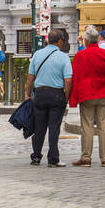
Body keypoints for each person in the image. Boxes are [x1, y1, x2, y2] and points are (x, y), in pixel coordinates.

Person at [69, 25, 105, 167]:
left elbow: (75, 77)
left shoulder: (80, 55)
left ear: (85, 41)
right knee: (103, 125)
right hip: (104, 93)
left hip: (86, 94)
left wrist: (73, 97)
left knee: (87, 125)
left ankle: (86, 157)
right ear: (97, 39)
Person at [26, 29, 73, 167]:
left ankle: (36, 156)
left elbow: (30, 77)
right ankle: (53, 158)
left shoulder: (37, 54)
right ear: (59, 41)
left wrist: (28, 94)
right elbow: (68, 80)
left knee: (39, 127)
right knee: (54, 128)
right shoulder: (63, 57)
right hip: (56, 94)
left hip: (39, 94)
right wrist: (66, 96)